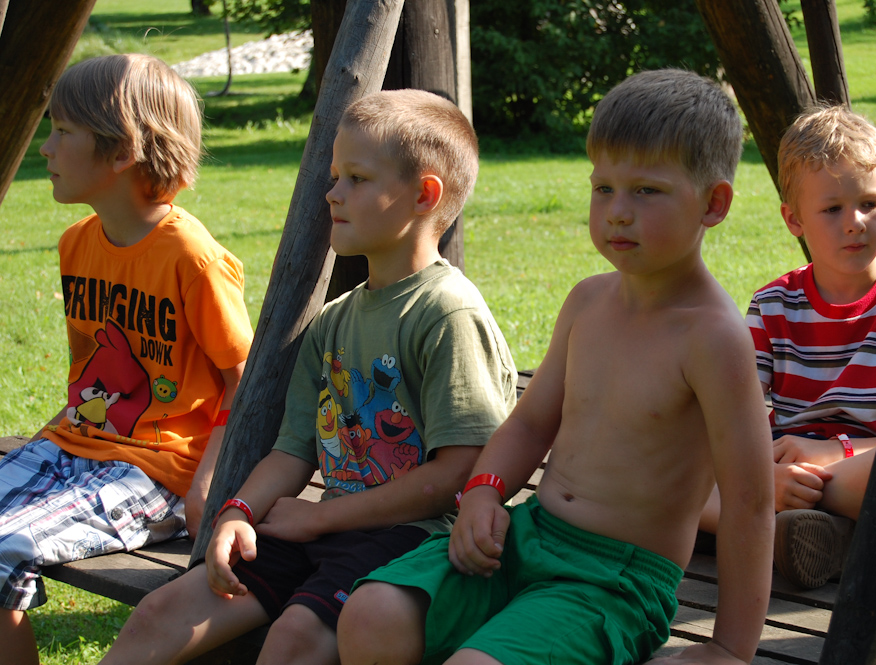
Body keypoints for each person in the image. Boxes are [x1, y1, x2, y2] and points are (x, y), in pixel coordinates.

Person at [338, 68, 774, 665]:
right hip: (526, 537)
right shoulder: (588, 302)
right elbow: (528, 424)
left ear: (713, 204)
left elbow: (750, 502)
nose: (617, 212)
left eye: (647, 191)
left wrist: (730, 647)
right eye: (604, 188)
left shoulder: (713, 338)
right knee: (370, 615)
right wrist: (483, 494)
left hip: (612, 582)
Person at [99, 88, 517, 665]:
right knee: (161, 613)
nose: (332, 193)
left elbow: (457, 475)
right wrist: (238, 513)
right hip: (325, 525)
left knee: (294, 637)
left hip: (414, 541)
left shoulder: (446, 312)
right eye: (334, 176)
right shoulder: (335, 319)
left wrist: (321, 517)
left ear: (424, 195)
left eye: (356, 179)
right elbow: (293, 450)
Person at [1, 54, 254, 665]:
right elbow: (92, 365)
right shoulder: (77, 244)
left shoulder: (192, 258)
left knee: (3, 549)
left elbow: (244, 379)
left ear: (121, 153)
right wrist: (48, 439)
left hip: (155, 473)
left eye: (63, 131)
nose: (46, 148)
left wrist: (208, 480)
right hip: (75, 448)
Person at [698, 105, 876, 590]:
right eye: (832, 209)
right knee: (678, 468)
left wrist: (831, 451)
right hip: (781, 463)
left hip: (865, 461)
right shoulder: (774, 305)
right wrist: (765, 474)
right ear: (794, 219)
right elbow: (734, 415)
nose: (855, 222)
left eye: (869, 203)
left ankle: (768, 520)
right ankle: (805, 526)